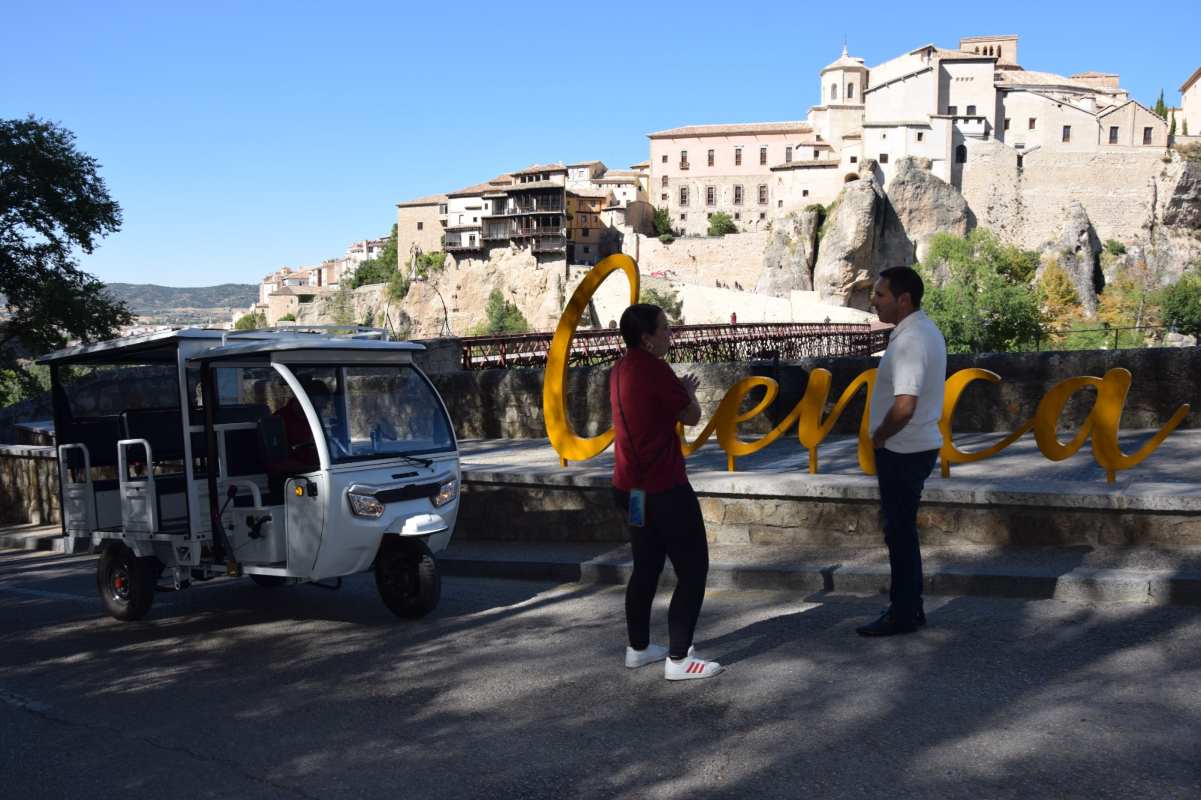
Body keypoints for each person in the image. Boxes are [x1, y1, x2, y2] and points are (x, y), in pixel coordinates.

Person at [611, 304, 723, 680]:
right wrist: (689, 393)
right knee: (693, 569)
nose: (669, 336)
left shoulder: (619, 369)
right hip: (664, 489)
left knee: (646, 567)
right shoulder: (656, 369)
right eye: (665, 330)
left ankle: (638, 648)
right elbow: (691, 417)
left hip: (631, 490)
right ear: (647, 338)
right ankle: (678, 659)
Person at [858, 266, 947, 637]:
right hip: (914, 446)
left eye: (880, 295)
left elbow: (905, 405)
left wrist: (879, 437)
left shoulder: (911, 341)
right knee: (901, 531)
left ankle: (904, 612)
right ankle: (909, 607)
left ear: (903, 298)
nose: (874, 301)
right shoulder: (924, 331)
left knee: (899, 533)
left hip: (902, 449)